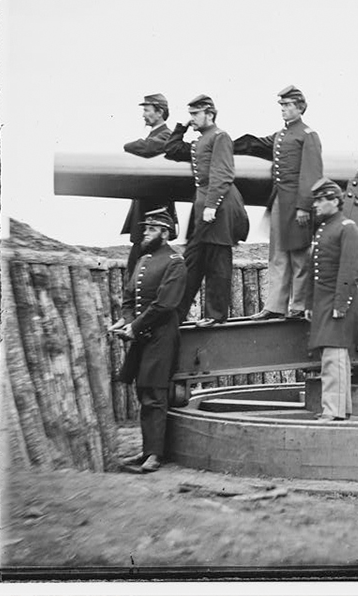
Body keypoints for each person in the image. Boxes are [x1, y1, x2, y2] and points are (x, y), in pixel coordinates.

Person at [108, 208, 187, 473]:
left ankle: (155, 455)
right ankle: (146, 451)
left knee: (155, 394)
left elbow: (165, 304)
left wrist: (136, 326)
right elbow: (129, 297)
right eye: (146, 228)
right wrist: (128, 320)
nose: (145, 233)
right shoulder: (144, 261)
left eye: (151, 229)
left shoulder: (175, 262)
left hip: (162, 337)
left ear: (165, 234)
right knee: (143, 392)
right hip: (142, 336)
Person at [234, 85, 323, 321]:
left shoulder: (307, 135)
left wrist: (305, 205)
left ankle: (300, 306)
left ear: (300, 107)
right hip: (279, 202)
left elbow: (312, 173)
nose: (283, 110)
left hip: (296, 204)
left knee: (300, 256)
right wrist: (227, 145)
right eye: (282, 106)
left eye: (287, 106)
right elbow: (255, 144)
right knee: (278, 255)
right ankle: (275, 306)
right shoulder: (281, 135)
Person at [164, 94, 249, 327]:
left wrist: (212, 205)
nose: (191, 119)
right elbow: (171, 149)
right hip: (204, 206)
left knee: (217, 263)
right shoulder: (200, 141)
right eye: (190, 114)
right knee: (191, 261)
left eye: (195, 114)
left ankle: (216, 315)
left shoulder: (220, 137)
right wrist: (181, 126)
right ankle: (176, 314)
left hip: (219, 206)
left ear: (209, 114)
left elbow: (223, 173)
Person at [308, 178, 358, 421]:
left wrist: (340, 305)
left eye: (322, 200)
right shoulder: (325, 228)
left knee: (335, 358)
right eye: (316, 200)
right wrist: (311, 304)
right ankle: (341, 409)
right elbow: (315, 271)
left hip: (339, 301)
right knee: (332, 357)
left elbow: (348, 270)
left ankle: (333, 411)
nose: (317, 205)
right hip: (325, 301)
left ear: (335, 201)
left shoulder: (346, 228)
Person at [121, 93, 179, 276]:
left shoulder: (165, 136)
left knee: (142, 276)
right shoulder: (157, 136)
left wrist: (128, 145)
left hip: (152, 223)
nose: (143, 115)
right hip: (147, 224)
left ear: (159, 112)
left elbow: (144, 148)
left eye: (146, 110)